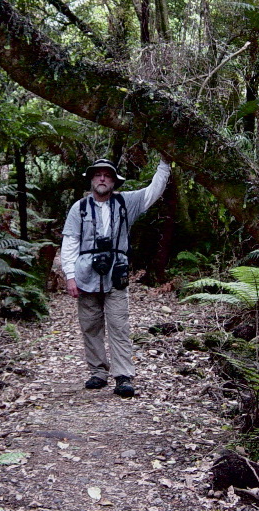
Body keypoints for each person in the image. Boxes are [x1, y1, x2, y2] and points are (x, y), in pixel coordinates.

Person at [61, 156, 171, 398]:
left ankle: (123, 375)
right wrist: (70, 276)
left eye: (107, 175)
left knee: (119, 325)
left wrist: (165, 163)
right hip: (85, 274)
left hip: (116, 275)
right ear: (91, 179)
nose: (102, 179)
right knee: (90, 325)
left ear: (114, 181)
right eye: (98, 174)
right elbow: (70, 243)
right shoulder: (78, 208)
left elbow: (154, 190)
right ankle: (98, 372)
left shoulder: (126, 203)